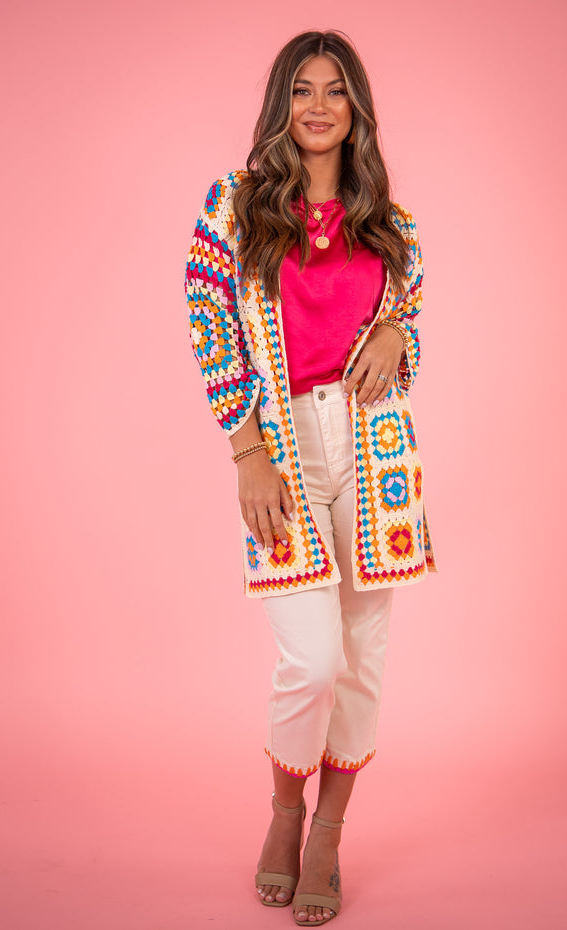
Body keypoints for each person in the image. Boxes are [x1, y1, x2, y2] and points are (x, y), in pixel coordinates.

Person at [184, 29, 437, 925]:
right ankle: (285, 811)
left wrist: (398, 333)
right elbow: (207, 319)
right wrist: (246, 450)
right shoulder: (235, 204)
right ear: (280, 105)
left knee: (362, 660)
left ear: (357, 109)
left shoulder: (391, 223)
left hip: (374, 451)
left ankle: (328, 831)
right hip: (285, 446)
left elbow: (408, 329)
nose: (319, 106)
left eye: (336, 90)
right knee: (313, 658)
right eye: (302, 89)